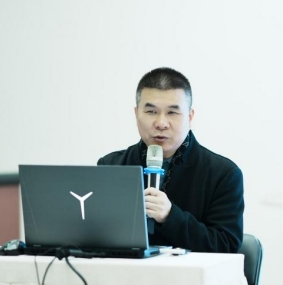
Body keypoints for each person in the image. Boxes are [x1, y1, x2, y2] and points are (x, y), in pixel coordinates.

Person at [98, 67, 244, 253]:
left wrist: (170, 216)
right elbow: (96, 236)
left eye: (172, 112)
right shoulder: (111, 166)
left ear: (190, 117)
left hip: (189, 273)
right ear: (136, 114)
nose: (161, 123)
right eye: (151, 111)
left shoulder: (223, 174)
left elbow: (226, 246)